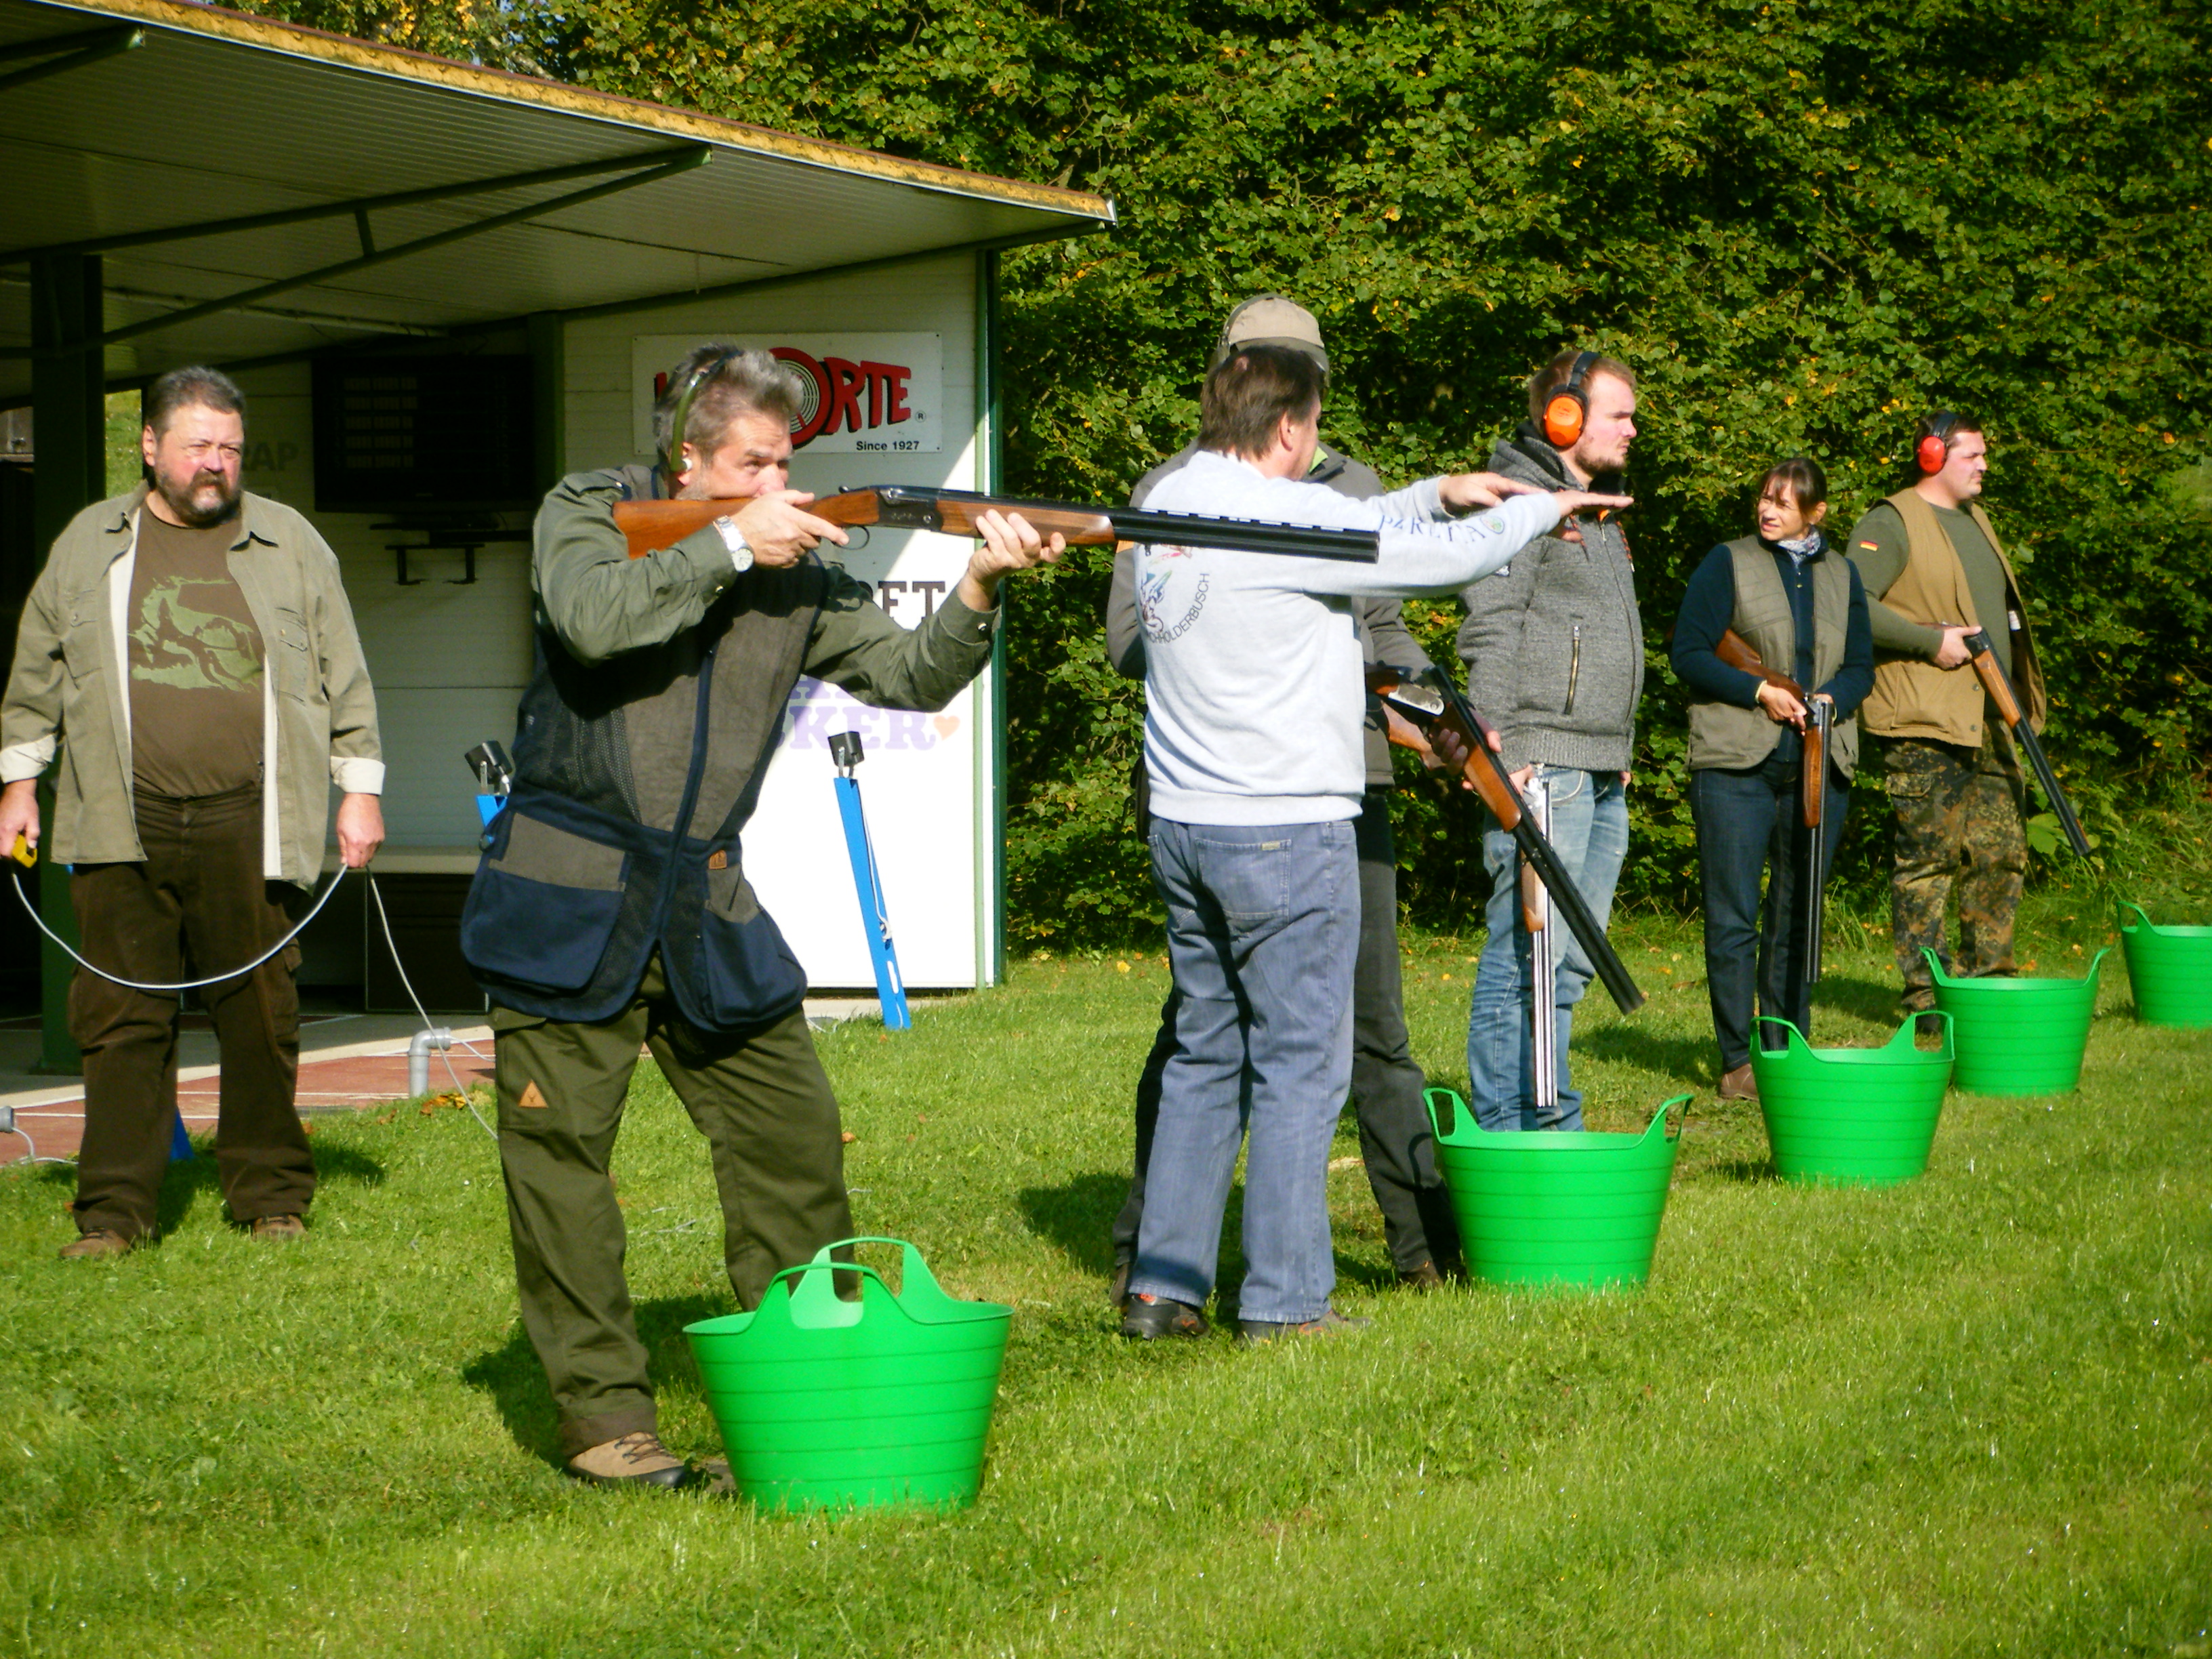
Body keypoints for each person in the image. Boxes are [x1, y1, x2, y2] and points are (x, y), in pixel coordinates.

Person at [464, 344, 1060, 1488]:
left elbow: (908, 674)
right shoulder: (590, 511)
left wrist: (980, 581)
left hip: (704, 903)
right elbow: (592, 618)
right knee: (561, 1175)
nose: (778, 482)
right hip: (568, 896)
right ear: (688, 457)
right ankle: (603, 1420)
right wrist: (735, 539)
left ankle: (809, 1376)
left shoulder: (794, 572)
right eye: (752, 462)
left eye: (786, 462)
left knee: (791, 1143)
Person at [1124, 343, 1626, 1344]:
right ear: (1286, 430)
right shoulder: (1283, 512)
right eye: (1309, 433)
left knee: (1205, 1050)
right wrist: (1536, 507)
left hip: (1186, 824)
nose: (1314, 451)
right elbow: (1446, 566)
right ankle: (1285, 1301)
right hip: (1284, 828)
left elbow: (1352, 527)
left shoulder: (1177, 496)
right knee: (1306, 1064)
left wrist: (1436, 491)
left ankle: (1163, 1287)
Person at [1103, 295, 1462, 1296]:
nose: (1284, 388)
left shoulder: (1359, 486)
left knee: (1371, 1028)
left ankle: (1424, 1246)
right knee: (1217, 1041)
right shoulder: (1172, 487)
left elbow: (1387, 628)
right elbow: (1132, 640)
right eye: (1264, 366)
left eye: (1296, 368)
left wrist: (1435, 712)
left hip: (1342, 785)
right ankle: (1184, 1266)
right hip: (1240, 790)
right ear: (1234, 378)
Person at [0, 366, 384, 1257]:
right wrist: (19, 785)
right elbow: (36, 672)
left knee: (261, 1015)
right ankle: (114, 1216)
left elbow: (345, 672)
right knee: (120, 1020)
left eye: (230, 450)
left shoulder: (290, 542)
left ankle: (270, 1200)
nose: (216, 465)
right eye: (198, 447)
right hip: (116, 818)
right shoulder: (88, 543)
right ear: (150, 448)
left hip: (253, 819)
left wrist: (359, 788)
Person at [1455, 350, 1642, 1132]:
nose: (1634, 430)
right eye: (1620, 415)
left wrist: (1621, 751)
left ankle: (1550, 1115)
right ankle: (1506, 1130)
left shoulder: (1594, 509)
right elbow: (1490, 624)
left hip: (1598, 766)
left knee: (1565, 968)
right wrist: (1498, 748)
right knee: (1521, 958)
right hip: (1542, 759)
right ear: (1562, 416)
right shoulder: (1517, 503)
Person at [1670, 458, 1872, 1097]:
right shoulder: (1725, 562)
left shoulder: (1844, 574)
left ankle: (1787, 1048)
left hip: (1820, 758)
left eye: (1785, 502)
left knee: (1798, 911)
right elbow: (1690, 654)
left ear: (1817, 513)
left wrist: (1829, 700)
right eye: (1765, 497)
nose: (1770, 509)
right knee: (1734, 916)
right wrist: (1759, 689)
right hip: (1736, 762)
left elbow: (1862, 665)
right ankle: (1737, 1062)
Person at [1844, 411, 2045, 1021]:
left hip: (1991, 715)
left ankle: (1987, 988)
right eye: (1972, 456)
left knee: (2002, 853)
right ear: (1933, 456)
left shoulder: (1975, 520)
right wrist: (1930, 642)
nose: (1984, 465)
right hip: (1925, 718)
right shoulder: (1893, 521)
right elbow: (1852, 603)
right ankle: (1926, 1000)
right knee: (1928, 862)